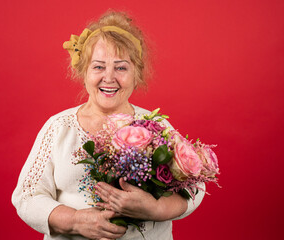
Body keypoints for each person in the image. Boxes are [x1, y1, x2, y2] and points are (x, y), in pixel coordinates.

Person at [12, 11, 205, 240]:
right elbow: (27, 197)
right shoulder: (58, 127)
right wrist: (75, 221)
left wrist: (156, 208)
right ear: (83, 72)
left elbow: (195, 188)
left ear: (137, 74)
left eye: (121, 67)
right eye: (98, 67)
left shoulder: (157, 127)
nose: (109, 77)